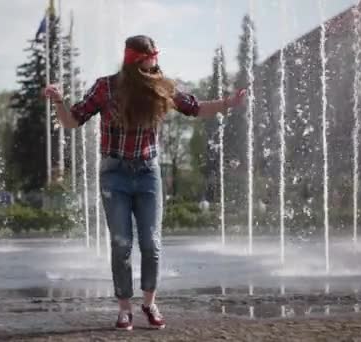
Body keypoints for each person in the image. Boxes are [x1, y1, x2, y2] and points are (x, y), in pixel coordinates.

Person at [45, 35, 246, 331]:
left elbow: (195, 108)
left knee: (151, 244)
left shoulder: (161, 86)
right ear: (137, 61)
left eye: (156, 55)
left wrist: (229, 103)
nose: (156, 61)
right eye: (151, 57)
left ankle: (149, 303)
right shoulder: (106, 87)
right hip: (114, 174)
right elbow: (72, 121)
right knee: (121, 243)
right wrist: (59, 100)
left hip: (148, 173)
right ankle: (124, 309)